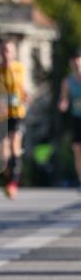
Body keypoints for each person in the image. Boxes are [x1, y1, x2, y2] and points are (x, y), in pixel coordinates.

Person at [0, 38, 29, 198]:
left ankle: (14, 183)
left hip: (16, 113)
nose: (5, 54)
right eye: (2, 50)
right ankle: (9, 180)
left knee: (15, 144)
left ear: (14, 52)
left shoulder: (20, 69)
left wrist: (26, 96)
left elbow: (24, 89)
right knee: (3, 153)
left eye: (8, 50)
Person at [58, 49, 81, 187]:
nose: (76, 65)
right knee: (78, 150)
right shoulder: (67, 81)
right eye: (74, 63)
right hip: (76, 118)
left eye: (78, 62)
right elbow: (64, 99)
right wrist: (63, 104)